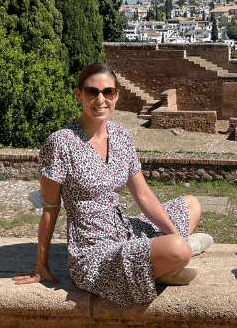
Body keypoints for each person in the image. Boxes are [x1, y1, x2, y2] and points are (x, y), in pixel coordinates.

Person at [14, 63, 213, 305]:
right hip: (94, 249)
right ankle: (171, 259)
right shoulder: (61, 143)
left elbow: (144, 196)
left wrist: (173, 234)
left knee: (191, 205)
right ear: (78, 94)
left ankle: (168, 258)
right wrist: (41, 264)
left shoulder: (121, 136)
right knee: (178, 249)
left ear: (116, 95)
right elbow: (50, 207)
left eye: (108, 92)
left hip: (124, 229)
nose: (101, 99)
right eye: (92, 92)